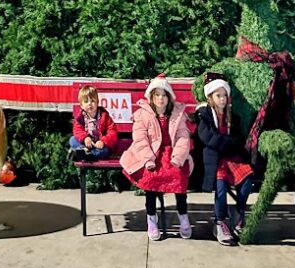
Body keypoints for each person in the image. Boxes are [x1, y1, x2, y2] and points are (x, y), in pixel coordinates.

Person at [120, 75, 193, 241]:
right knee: (151, 180)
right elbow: (140, 138)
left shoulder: (177, 114)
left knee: (179, 177)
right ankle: (151, 218)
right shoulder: (143, 114)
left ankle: (183, 216)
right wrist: (148, 158)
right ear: (151, 97)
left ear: (169, 97)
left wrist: (178, 157)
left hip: (172, 153)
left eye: (164, 94)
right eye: (157, 95)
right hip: (151, 154)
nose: (161, 98)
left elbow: (183, 137)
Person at [196, 74, 255, 246]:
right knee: (220, 189)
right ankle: (220, 221)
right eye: (218, 95)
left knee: (247, 178)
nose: (222, 99)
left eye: (224, 95)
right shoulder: (204, 114)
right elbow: (207, 137)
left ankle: (238, 212)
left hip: (231, 157)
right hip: (215, 159)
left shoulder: (232, 117)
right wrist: (228, 144)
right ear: (210, 97)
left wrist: (231, 144)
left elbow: (238, 139)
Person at [69, 85, 118, 160]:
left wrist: (103, 141)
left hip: (99, 146)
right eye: (86, 101)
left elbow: (112, 132)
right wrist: (85, 138)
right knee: (72, 139)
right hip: (87, 144)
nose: (89, 103)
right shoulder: (80, 118)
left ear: (97, 102)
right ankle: (83, 150)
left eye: (92, 101)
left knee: (104, 151)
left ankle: (88, 155)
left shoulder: (104, 116)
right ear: (81, 105)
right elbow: (77, 130)